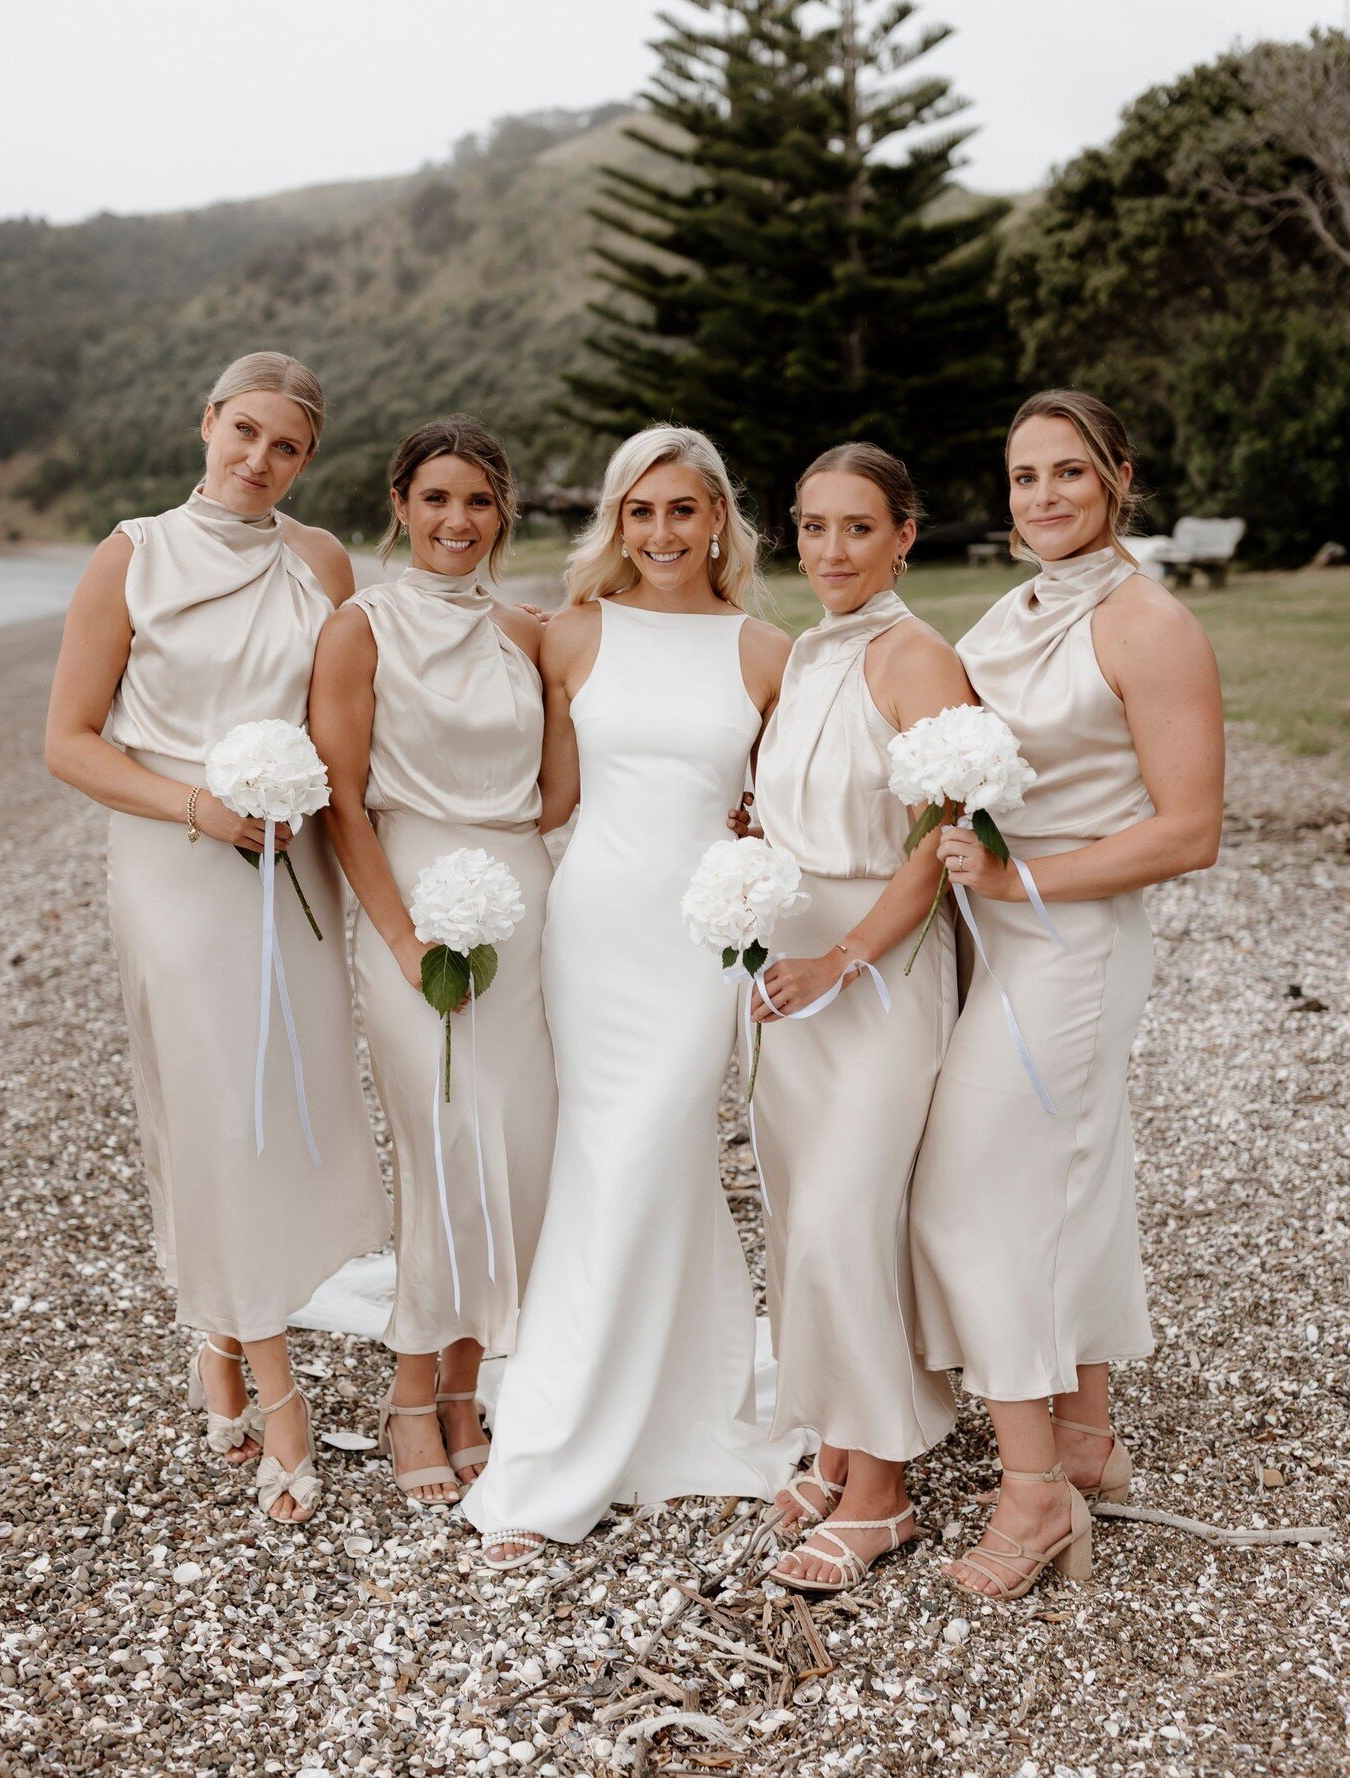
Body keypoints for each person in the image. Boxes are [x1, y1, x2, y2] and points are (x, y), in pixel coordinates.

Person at [45, 351, 392, 1525]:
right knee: (209, 1101)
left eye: (284, 446)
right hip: (176, 855)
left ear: (306, 460)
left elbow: (345, 716)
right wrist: (198, 805)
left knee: (272, 1105)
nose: (258, 460)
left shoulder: (321, 561)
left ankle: (218, 1331)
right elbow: (70, 741)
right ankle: (278, 1385)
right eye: (243, 432)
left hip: (288, 857)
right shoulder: (130, 553)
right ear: (206, 423)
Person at [462, 425, 804, 1566]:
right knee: (611, 1159)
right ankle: (573, 1440)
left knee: (650, 1152)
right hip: (595, 926)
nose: (661, 533)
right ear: (618, 521)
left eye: (683, 510)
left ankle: (624, 1418)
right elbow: (551, 790)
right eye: (640, 511)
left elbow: (785, 802)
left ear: (720, 520)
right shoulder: (572, 634)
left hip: (699, 938)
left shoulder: (767, 651)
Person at [910, 389, 1224, 1599]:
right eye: (1024, 476)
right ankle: (1087, 1437)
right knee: (1070, 1174)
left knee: (975, 1190)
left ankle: (1034, 1492)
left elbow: (1190, 828)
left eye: (1068, 475)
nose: (1043, 496)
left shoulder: (1147, 623)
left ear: (1120, 479)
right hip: (1000, 930)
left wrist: (1017, 873)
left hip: (1075, 936)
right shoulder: (1020, 605)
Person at [730, 443, 970, 1593]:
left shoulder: (915, 657)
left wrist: (846, 955)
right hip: (789, 964)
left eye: (858, 528)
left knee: (844, 1213)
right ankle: (834, 1438)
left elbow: (937, 843)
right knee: (798, 1212)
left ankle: (883, 1496)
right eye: (813, 527)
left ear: (904, 536)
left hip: (875, 967)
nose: (831, 551)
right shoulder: (809, 657)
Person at [310, 417, 554, 1508]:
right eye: (438, 499)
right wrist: (403, 935)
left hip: (524, 905)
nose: (459, 522)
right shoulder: (359, 629)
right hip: (409, 896)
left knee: (515, 1147)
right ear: (401, 505)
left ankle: (469, 1385)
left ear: (503, 514)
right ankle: (414, 1387)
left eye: (481, 502)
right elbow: (343, 800)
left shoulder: (529, 632)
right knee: (441, 1145)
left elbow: (570, 787)